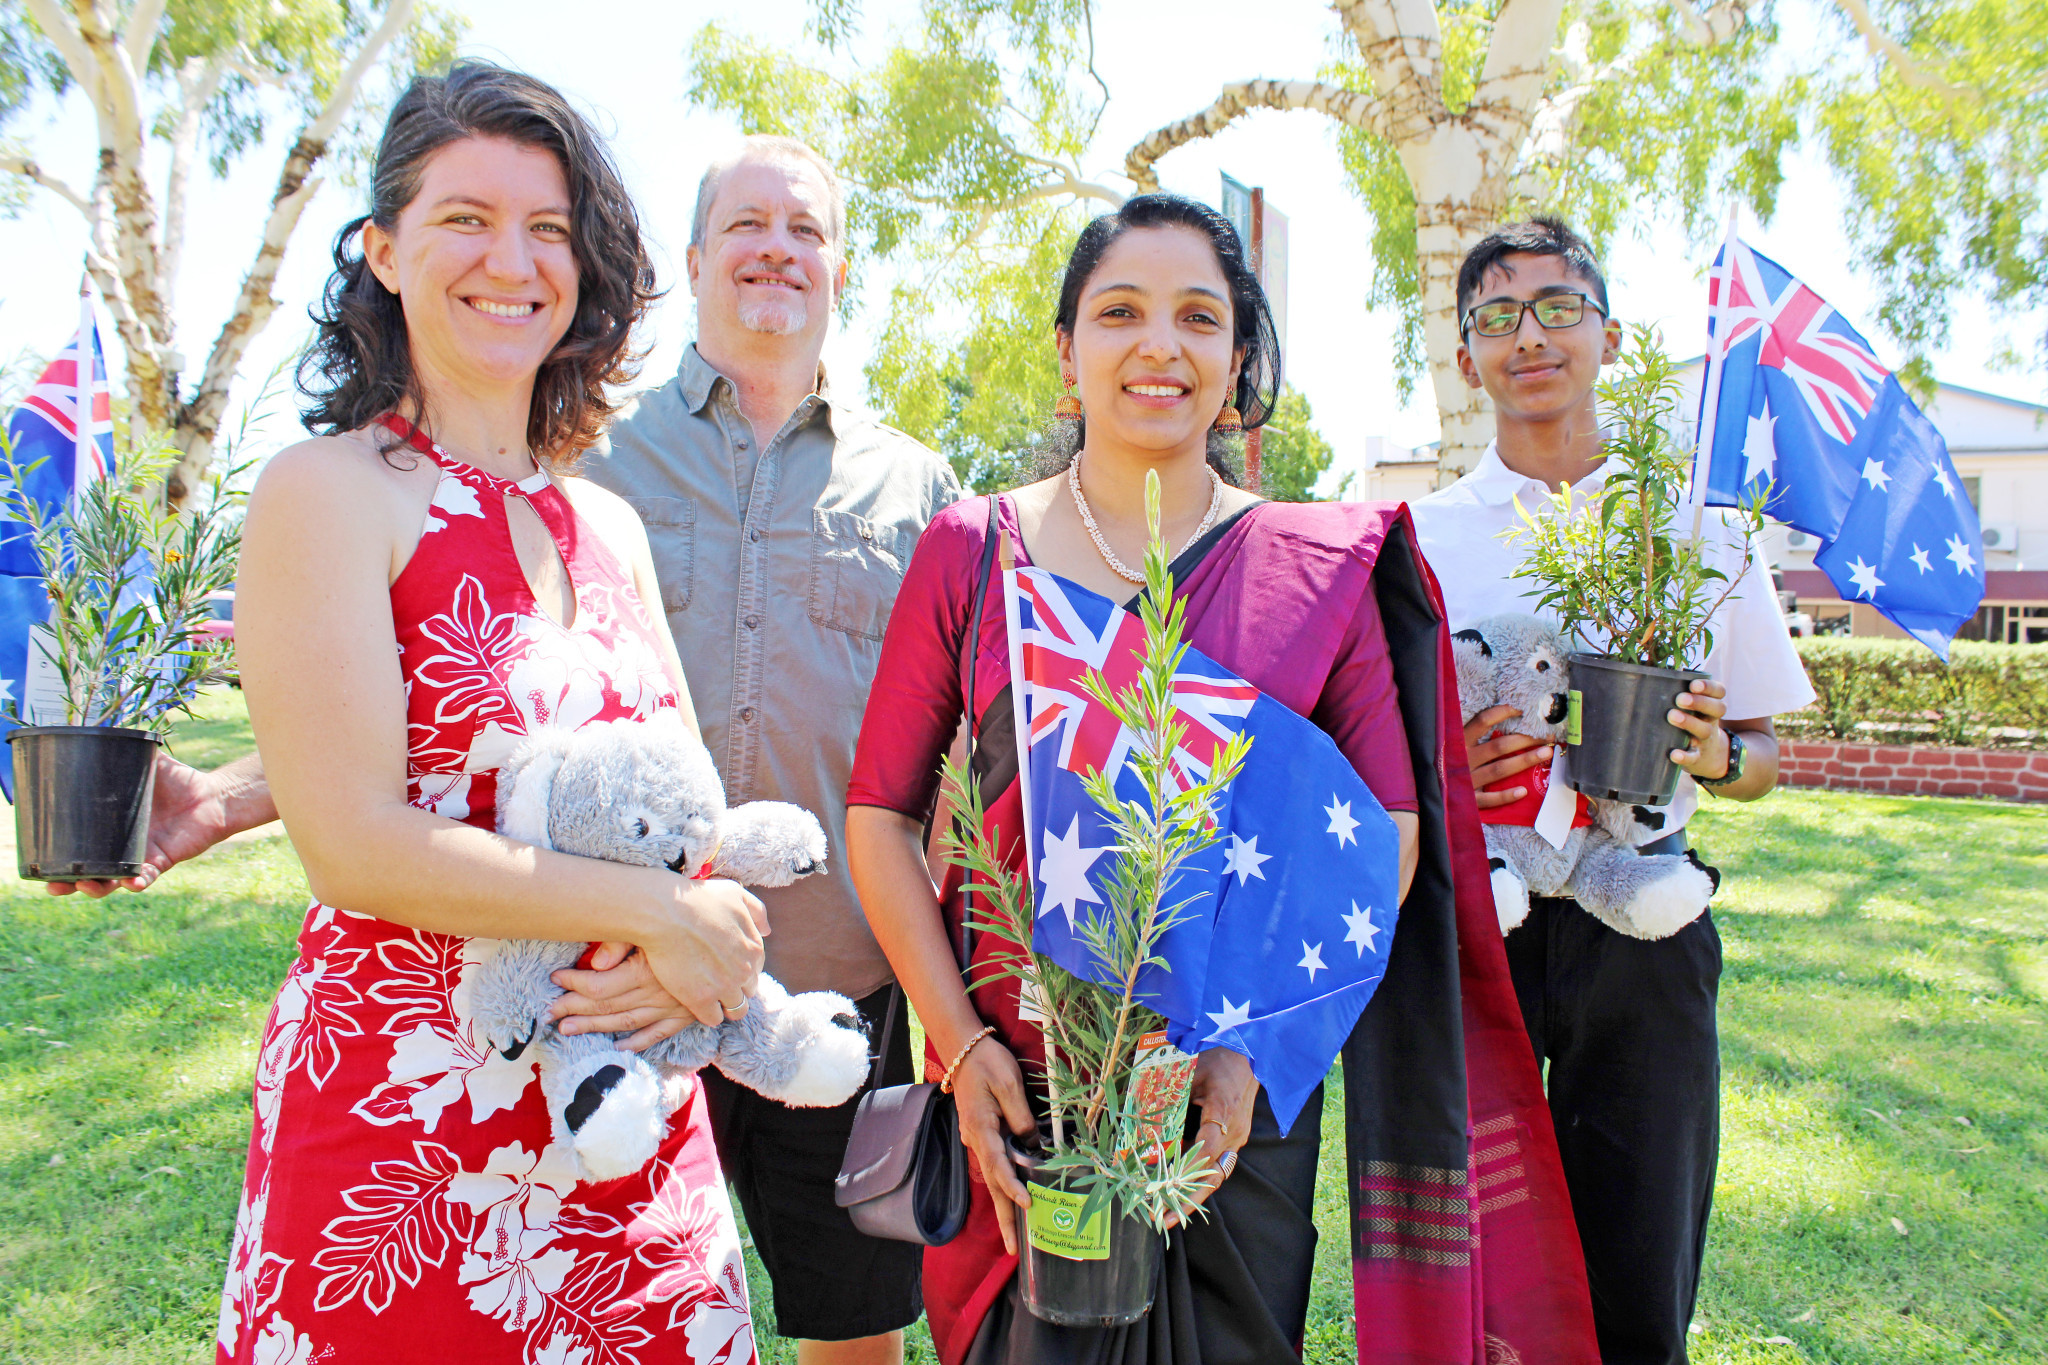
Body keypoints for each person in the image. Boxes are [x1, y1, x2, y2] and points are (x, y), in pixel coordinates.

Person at [843, 194, 1596, 1365]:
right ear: (1067, 351)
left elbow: (1385, 835)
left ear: (1237, 357)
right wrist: (958, 1044)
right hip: (1014, 1082)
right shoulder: (971, 548)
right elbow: (879, 819)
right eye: (1119, 312)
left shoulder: (1316, 569)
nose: (1159, 345)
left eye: (1198, 316)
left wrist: (1244, 1045)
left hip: (1226, 1102)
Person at [212, 63, 764, 1364]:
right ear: (385, 249)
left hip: (628, 1133)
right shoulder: (327, 491)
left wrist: (707, 911)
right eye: (465, 217)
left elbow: (681, 806)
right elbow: (352, 841)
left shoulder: (610, 523)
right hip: (401, 1144)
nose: (510, 259)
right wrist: (650, 915)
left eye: (548, 228)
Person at [557, 135, 960, 1364]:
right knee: (613, 1323)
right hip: (611, 987)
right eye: (745, 225)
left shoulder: (918, 487)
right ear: (692, 260)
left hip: (840, 994)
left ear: (839, 269)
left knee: (850, 1331)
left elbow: (953, 751)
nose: (776, 247)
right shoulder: (586, 452)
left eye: (806, 228)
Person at [1408, 216, 1815, 1365]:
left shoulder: (1697, 528)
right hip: (1480, 933)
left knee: (1638, 1271)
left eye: (1554, 307)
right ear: (1463, 357)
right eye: (1493, 316)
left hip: (1648, 930)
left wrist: (1707, 754)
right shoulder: (1421, 538)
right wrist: (1454, 769)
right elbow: (1382, 751)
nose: (1526, 336)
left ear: (1609, 334)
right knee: (1476, 1280)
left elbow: (1759, 758)